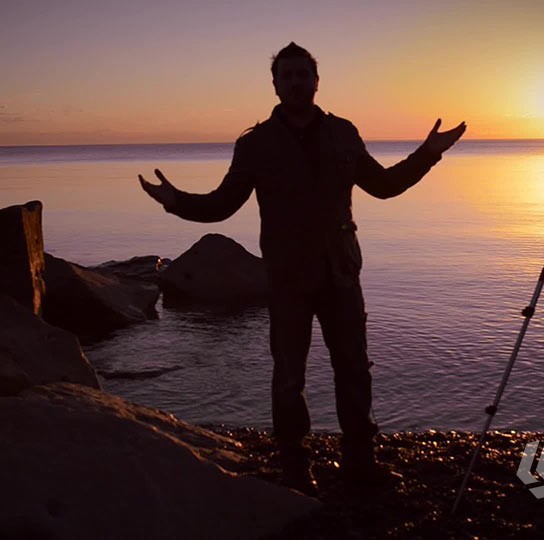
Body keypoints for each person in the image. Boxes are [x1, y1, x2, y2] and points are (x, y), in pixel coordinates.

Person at [139, 42, 465, 496]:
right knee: (289, 375)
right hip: (287, 277)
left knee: (353, 367)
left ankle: (360, 464)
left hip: (341, 272)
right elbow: (222, 204)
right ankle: (295, 467)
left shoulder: (343, 133)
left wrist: (429, 152)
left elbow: (385, 186)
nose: (295, 82)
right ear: (275, 85)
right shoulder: (254, 144)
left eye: (302, 74)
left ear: (316, 80)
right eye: (287, 76)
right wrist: (176, 202)